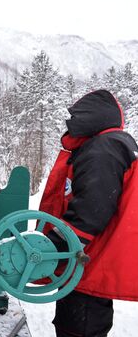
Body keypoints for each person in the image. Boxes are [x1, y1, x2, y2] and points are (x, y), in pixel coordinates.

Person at [39, 89, 138, 337]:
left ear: (91, 116)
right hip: (93, 260)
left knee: (79, 328)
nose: (70, 122)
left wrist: (53, 249)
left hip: (89, 260)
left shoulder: (104, 148)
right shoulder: (113, 144)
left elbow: (92, 209)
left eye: (76, 115)